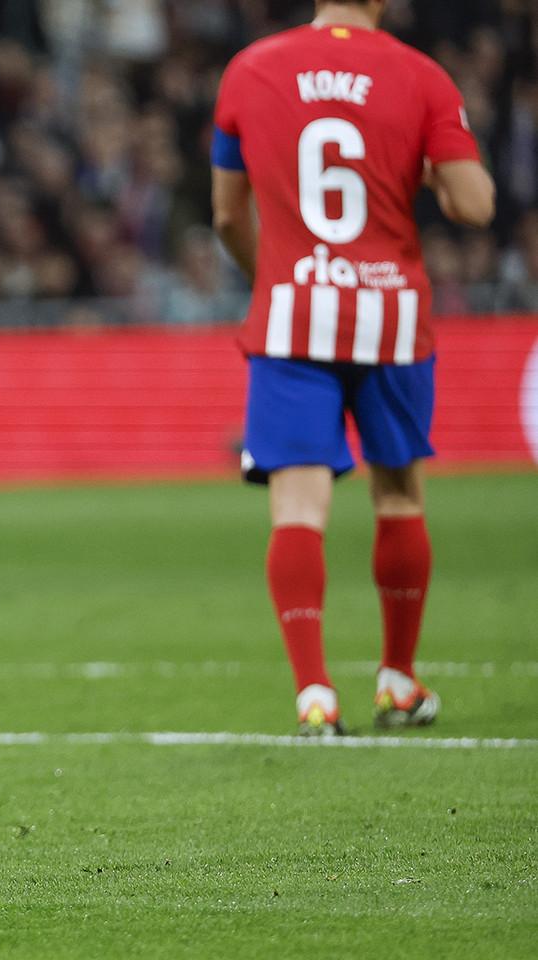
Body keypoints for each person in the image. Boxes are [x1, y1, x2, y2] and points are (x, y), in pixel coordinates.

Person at [210, 0, 495, 735]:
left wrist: (276, 278)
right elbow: (474, 206)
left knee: (298, 509)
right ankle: (397, 682)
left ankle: (315, 696)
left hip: (293, 317)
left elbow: (226, 216)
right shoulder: (423, 77)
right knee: (397, 495)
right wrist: (434, 177)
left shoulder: (250, 70)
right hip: (390, 318)